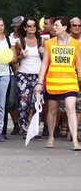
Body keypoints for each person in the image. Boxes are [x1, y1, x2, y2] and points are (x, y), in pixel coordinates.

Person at [34, 17, 81, 150]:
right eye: (53, 25)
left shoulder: (76, 44)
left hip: (70, 82)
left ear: (65, 27)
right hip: (53, 82)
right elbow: (44, 64)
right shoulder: (49, 43)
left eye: (56, 25)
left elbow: (78, 64)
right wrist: (39, 82)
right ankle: (50, 138)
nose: (53, 27)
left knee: (70, 109)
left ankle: (75, 141)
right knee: (53, 110)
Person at [14, 17, 44, 136]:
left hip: (38, 75)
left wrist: (44, 52)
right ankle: (25, 129)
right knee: (23, 103)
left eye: (34, 25)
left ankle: (34, 128)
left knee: (37, 102)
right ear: (25, 28)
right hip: (23, 75)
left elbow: (47, 59)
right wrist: (21, 56)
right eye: (29, 25)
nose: (32, 27)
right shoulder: (19, 42)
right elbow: (14, 59)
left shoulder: (42, 41)